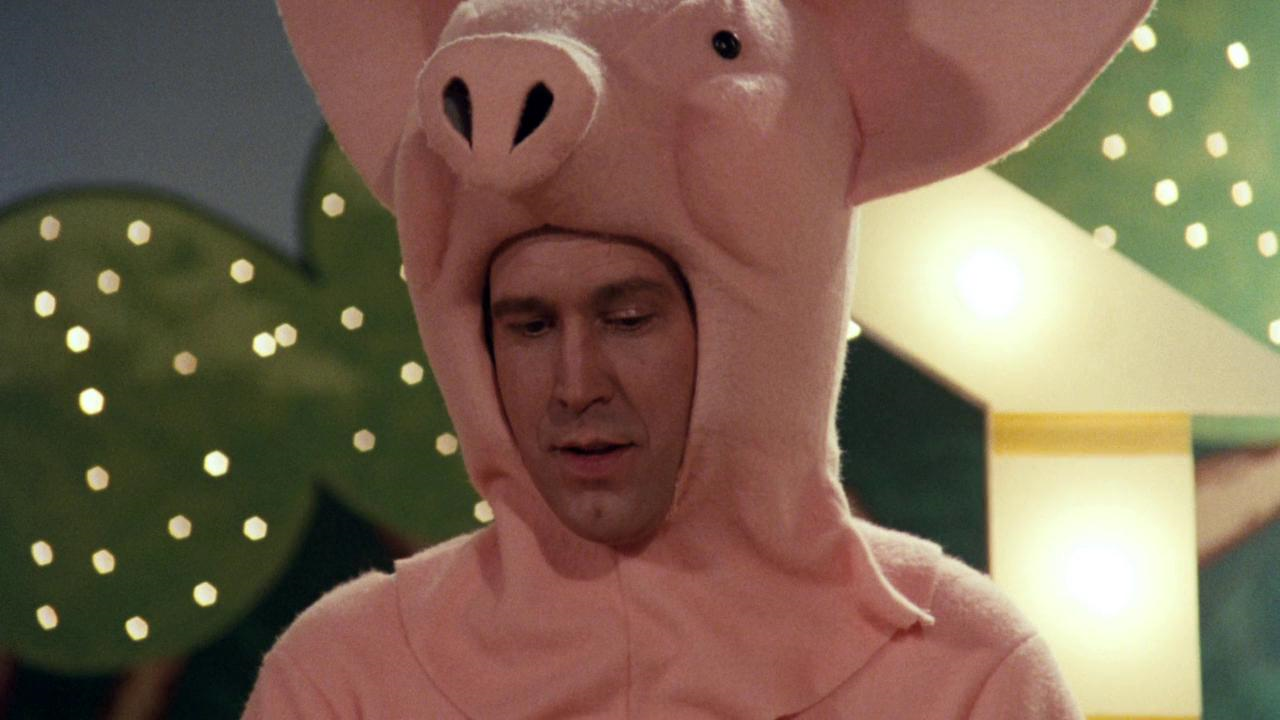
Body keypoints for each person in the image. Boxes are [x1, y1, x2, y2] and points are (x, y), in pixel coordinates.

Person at [245, 0, 1153, 716]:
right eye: (528, 327)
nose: (575, 386)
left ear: (760, 330)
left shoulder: (964, 678)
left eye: (629, 318)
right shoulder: (343, 682)